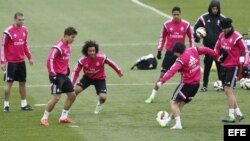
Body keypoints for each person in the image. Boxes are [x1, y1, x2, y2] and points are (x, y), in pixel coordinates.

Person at [156, 42, 218, 129]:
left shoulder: (181, 59)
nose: (174, 54)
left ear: (178, 52)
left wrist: (161, 81)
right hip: (196, 85)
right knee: (180, 104)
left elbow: (171, 71)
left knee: (173, 102)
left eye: (175, 52)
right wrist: (216, 55)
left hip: (186, 85)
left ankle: (178, 124)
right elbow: (206, 49)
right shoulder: (193, 50)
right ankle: (167, 121)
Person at [145, 6, 194, 103]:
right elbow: (162, 38)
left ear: (180, 14)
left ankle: (184, 95)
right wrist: (159, 50)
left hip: (182, 54)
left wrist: (192, 50)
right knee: (162, 75)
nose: (176, 16)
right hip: (169, 54)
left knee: (184, 75)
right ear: (172, 15)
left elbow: (191, 38)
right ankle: (152, 96)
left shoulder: (186, 25)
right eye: (174, 15)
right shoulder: (167, 25)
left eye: (178, 15)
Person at [71, 40, 123, 114]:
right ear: (86, 51)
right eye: (90, 51)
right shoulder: (82, 60)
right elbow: (75, 72)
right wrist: (72, 83)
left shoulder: (102, 57)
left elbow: (111, 63)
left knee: (103, 97)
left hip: (100, 79)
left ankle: (99, 104)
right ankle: (67, 108)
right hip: (87, 78)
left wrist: (118, 71)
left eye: (93, 50)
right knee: (75, 91)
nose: (92, 52)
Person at [40, 27, 78, 126]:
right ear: (66, 35)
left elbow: (64, 60)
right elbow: (50, 60)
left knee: (72, 95)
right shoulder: (58, 46)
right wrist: (53, 74)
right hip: (56, 75)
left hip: (64, 75)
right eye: (72, 37)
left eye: (74, 37)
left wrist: (67, 68)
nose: (73, 39)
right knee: (56, 98)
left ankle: (63, 117)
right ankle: (44, 118)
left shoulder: (69, 46)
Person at [214, 18, 247, 122]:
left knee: (229, 90)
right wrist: (218, 57)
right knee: (227, 92)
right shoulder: (221, 35)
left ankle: (231, 116)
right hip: (224, 66)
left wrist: (245, 64)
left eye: (226, 28)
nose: (224, 31)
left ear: (230, 27)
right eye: (223, 29)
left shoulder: (237, 37)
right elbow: (216, 48)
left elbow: (245, 50)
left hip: (234, 67)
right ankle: (239, 113)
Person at [0, 12, 33, 112]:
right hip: (11, 62)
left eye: (23, 20)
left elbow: (24, 44)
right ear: (15, 20)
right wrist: (2, 61)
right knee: (9, 83)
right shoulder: (8, 32)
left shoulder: (25, 30)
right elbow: (2, 46)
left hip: (21, 61)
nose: (22, 21)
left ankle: (24, 104)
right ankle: (6, 105)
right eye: (20, 20)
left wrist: (29, 57)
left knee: (22, 82)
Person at [194, 0, 225, 92]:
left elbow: (228, 30)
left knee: (220, 66)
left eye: (216, 8)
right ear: (210, 8)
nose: (214, 10)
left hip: (219, 48)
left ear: (218, 9)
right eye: (213, 8)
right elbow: (195, 28)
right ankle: (204, 85)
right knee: (207, 66)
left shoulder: (222, 18)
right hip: (207, 47)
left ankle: (222, 84)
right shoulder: (203, 18)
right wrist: (196, 37)